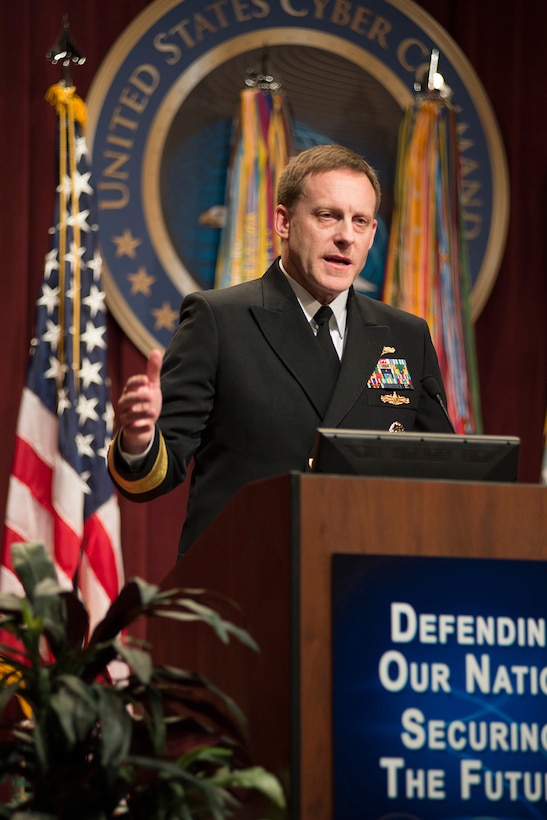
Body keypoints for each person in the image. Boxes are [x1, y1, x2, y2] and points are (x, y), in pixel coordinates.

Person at [108, 144, 453, 557]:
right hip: (243, 582)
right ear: (284, 221)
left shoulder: (406, 336)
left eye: (359, 221)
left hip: (362, 584)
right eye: (327, 215)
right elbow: (150, 480)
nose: (345, 235)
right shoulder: (219, 320)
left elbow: (446, 474)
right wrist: (139, 439)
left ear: (372, 234)